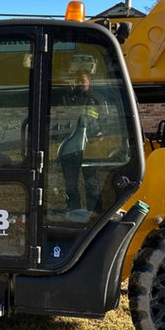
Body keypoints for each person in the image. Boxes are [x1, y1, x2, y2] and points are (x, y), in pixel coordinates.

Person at [57, 56, 106, 213]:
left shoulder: (96, 99)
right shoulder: (69, 98)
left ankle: (95, 211)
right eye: (78, 81)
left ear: (89, 81)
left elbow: (104, 121)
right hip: (71, 145)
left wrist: (100, 135)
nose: (80, 83)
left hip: (90, 146)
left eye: (83, 80)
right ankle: (73, 209)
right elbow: (62, 115)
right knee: (70, 182)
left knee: (91, 181)